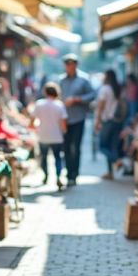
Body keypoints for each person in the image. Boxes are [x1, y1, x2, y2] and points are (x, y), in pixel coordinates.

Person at [58, 54, 96, 187]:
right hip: (64, 119)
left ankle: (75, 173)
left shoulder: (83, 80)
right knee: (66, 147)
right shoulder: (61, 80)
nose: (70, 66)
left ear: (76, 65)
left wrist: (77, 99)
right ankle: (68, 174)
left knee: (76, 147)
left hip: (78, 117)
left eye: (72, 63)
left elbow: (92, 95)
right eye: (67, 64)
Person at [29, 83, 68, 190]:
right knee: (58, 157)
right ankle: (58, 176)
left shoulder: (39, 104)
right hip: (56, 136)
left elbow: (32, 121)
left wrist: (35, 127)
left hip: (43, 135)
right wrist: (63, 131)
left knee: (44, 157)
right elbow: (64, 124)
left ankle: (46, 175)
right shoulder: (60, 105)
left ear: (45, 92)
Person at [95, 69, 126, 180]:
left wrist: (97, 121)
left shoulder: (105, 89)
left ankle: (116, 160)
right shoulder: (117, 89)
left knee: (102, 146)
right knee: (112, 146)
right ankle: (110, 172)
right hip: (118, 121)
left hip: (107, 121)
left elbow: (100, 107)